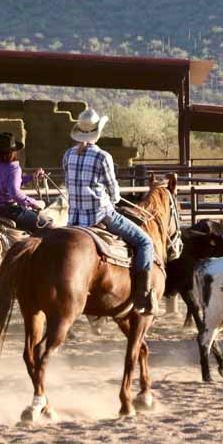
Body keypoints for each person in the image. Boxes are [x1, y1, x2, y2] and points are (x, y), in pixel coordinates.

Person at [63, 108, 156, 314]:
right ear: (98, 132)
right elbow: (114, 193)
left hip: (74, 219)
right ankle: (143, 294)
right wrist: (111, 198)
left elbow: (69, 182)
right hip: (100, 215)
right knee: (144, 241)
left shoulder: (68, 154)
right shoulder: (103, 157)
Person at [0, 132, 50, 233]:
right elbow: (14, 192)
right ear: (13, 151)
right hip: (11, 212)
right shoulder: (14, 167)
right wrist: (34, 203)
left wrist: (31, 177)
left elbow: (8, 184)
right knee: (46, 226)